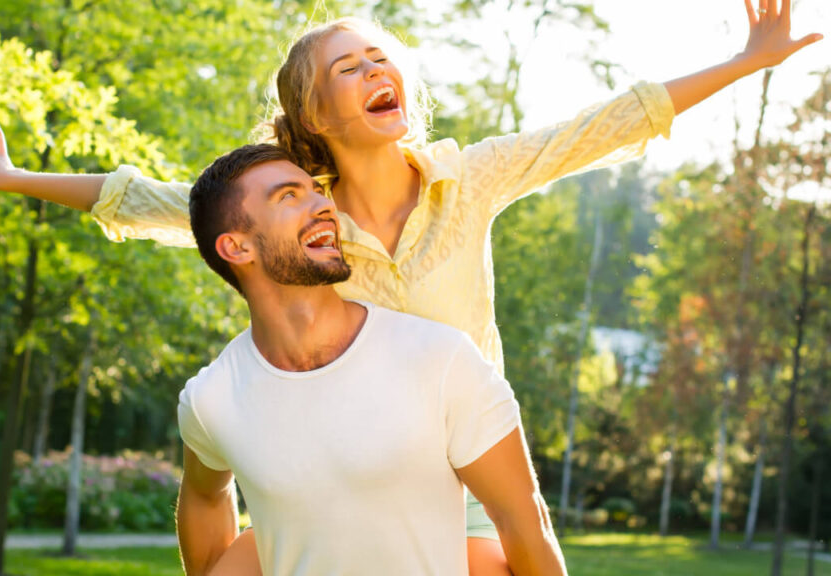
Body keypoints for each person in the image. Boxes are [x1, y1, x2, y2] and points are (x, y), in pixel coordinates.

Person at [0, 2, 820, 573]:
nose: (374, 72)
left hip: (464, 469)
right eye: (347, 69)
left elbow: (607, 123)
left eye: (379, 59)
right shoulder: (302, 220)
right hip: (339, 468)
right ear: (315, 112)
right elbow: (151, 201)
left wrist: (750, 60)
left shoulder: (466, 179)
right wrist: (12, 180)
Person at [176, 143, 561, 576]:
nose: (323, 205)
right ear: (236, 247)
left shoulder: (441, 360)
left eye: (316, 192)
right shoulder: (211, 399)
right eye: (289, 196)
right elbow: (205, 497)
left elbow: (525, 525)